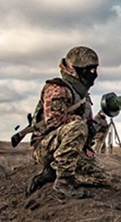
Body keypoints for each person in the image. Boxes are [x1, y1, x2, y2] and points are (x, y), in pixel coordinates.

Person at [26, 46, 110, 199]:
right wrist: (81, 124)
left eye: (95, 69)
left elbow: (84, 127)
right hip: (45, 147)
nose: (94, 75)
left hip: (67, 145)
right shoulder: (57, 89)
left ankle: (52, 173)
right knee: (78, 126)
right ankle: (64, 181)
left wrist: (97, 123)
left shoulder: (83, 97)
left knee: (102, 177)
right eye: (90, 70)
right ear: (75, 69)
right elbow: (54, 121)